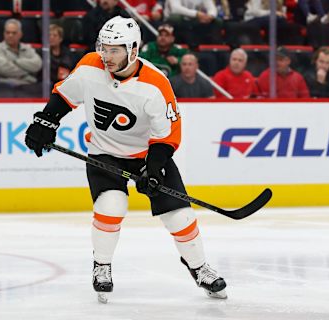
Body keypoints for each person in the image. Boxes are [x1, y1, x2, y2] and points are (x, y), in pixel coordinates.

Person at [24, 16, 227, 303]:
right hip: (105, 154)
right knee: (111, 205)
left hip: (148, 155)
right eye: (103, 48)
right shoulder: (90, 66)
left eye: (114, 50)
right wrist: (45, 122)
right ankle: (102, 265)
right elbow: (65, 96)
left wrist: (153, 170)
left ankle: (199, 267)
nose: (106, 56)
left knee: (179, 216)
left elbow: (166, 136)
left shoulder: (156, 84)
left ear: (133, 50)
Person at [0, 19, 42, 85]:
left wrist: (15, 61)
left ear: (20, 34)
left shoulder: (27, 48)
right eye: (8, 32)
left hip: (28, 85)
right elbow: (5, 70)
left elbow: (37, 64)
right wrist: (28, 72)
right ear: (4, 34)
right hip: (3, 86)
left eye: (14, 33)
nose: (10, 35)